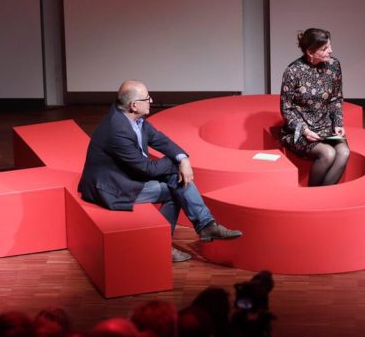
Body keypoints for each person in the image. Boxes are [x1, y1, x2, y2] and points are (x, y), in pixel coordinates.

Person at [78, 80, 242, 262]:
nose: (151, 100)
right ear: (134, 105)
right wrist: (176, 165)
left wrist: (183, 158)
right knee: (177, 188)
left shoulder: (133, 118)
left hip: (127, 175)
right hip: (113, 187)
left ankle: (204, 226)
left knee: (177, 180)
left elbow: (160, 140)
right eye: (147, 98)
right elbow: (145, 168)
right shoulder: (117, 130)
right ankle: (171, 241)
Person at [279, 28, 350, 186]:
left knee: (344, 153)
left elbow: (336, 98)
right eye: (324, 49)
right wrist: (305, 130)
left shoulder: (334, 65)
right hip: (299, 130)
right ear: (310, 52)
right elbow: (286, 109)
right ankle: (312, 196)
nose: (330, 51)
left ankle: (323, 198)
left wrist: (338, 123)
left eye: (330, 46)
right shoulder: (293, 71)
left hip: (326, 126)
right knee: (328, 154)